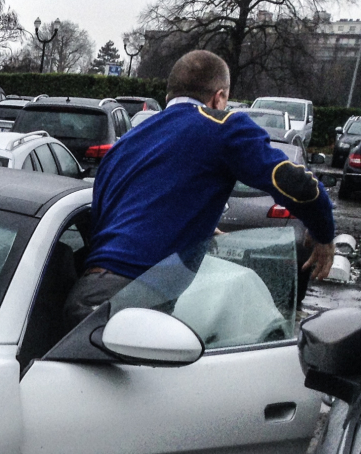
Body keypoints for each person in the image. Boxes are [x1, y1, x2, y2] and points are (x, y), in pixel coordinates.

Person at [64, 49, 336, 328]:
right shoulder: (222, 127)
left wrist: (201, 229)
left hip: (87, 294)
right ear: (219, 97)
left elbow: (127, 210)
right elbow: (296, 183)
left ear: (169, 95)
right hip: (129, 300)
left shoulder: (125, 143)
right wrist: (323, 232)